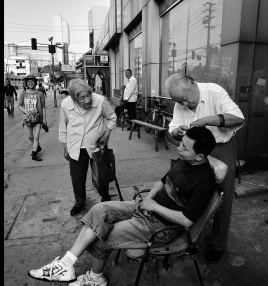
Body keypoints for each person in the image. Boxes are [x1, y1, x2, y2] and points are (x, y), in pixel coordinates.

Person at [28, 126, 217, 285]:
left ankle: (95, 279)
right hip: (146, 209)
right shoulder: (185, 160)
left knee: (102, 236)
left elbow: (186, 221)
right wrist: (148, 200)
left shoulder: (204, 181)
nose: (179, 147)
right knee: (99, 210)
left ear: (200, 156)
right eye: (181, 142)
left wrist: (154, 207)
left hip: (161, 227)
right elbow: (164, 180)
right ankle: (66, 265)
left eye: (185, 147)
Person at [165, 73, 245, 264]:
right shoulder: (180, 103)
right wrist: (177, 131)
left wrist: (209, 120)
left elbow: (238, 118)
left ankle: (218, 244)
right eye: (179, 101)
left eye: (185, 98)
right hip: (194, 153)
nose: (183, 104)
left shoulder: (214, 91)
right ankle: (191, 236)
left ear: (192, 83)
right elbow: (172, 129)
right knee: (192, 195)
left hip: (220, 148)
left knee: (221, 198)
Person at [58, 78, 117, 216]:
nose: (87, 100)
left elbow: (112, 117)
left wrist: (107, 134)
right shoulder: (66, 104)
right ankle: (79, 202)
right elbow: (63, 127)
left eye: (88, 95)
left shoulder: (100, 100)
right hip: (75, 147)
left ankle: (105, 197)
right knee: (77, 178)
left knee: (101, 175)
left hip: (97, 146)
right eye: (82, 98)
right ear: (74, 99)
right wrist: (65, 147)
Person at [18, 73, 47, 162]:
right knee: (30, 137)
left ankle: (34, 154)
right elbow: (19, 105)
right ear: (26, 83)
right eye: (28, 81)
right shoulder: (24, 93)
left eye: (32, 81)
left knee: (36, 137)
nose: (30, 83)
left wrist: (44, 120)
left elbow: (43, 107)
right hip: (27, 119)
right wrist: (27, 112)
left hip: (38, 119)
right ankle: (37, 147)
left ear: (35, 82)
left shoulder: (40, 93)